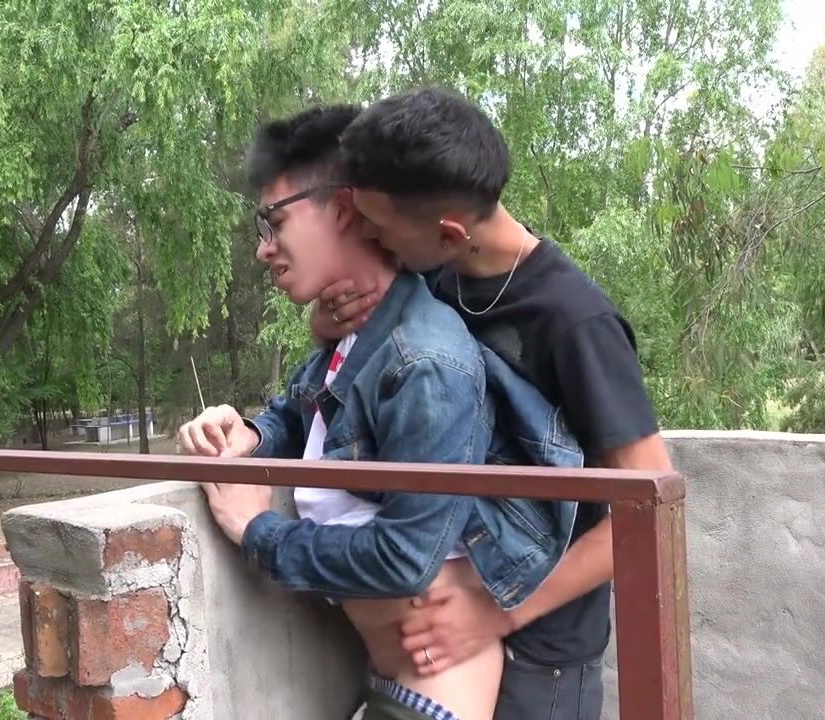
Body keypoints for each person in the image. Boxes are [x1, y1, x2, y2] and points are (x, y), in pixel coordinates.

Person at [180, 104, 582, 720]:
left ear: (343, 208)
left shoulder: (426, 361)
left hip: (436, 695)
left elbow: (406, 558)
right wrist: (250, 435)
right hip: (385, 680)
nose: (264, 249)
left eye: (274, 222)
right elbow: (308, 415)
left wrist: (256, 530)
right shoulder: (355, 328)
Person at [315, 87, 675, 720]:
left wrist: (497, 612)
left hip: (541, 657)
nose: (366, 234)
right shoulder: (431, 276)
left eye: (378, 223)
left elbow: (649, 508)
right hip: (444, 634)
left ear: (450, 232)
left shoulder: (574, 321)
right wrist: (329, 327)